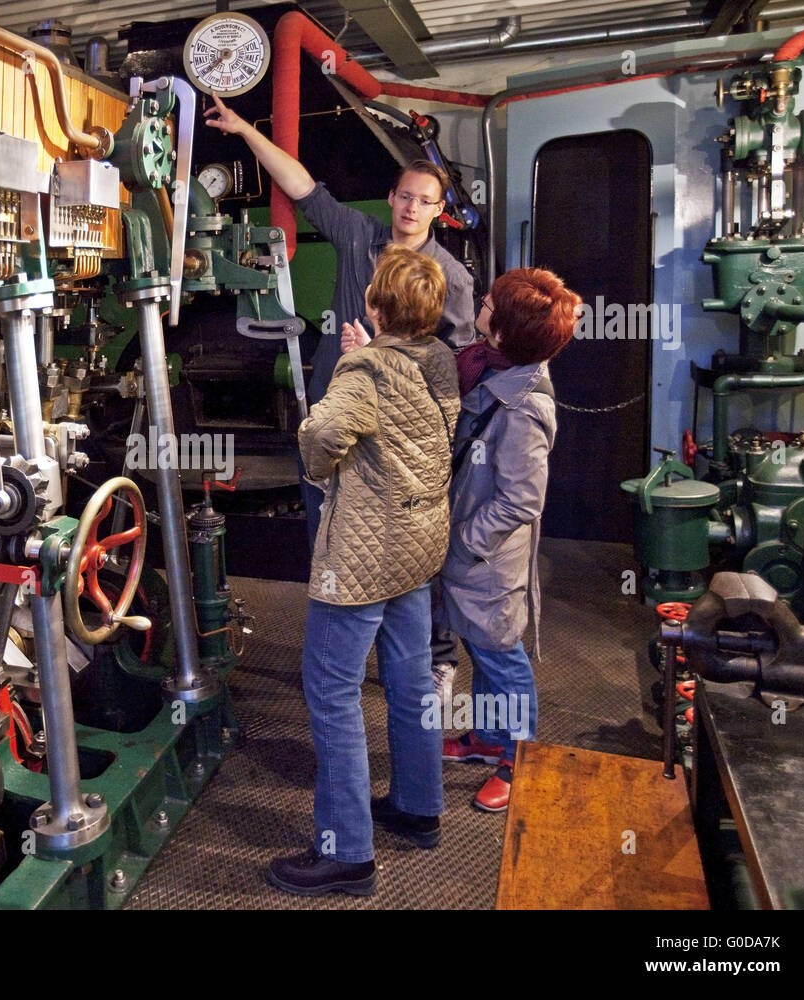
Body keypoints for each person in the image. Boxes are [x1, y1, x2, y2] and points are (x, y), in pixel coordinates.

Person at [204, 94, 472, 694]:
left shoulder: (449, 278)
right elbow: (303, 187)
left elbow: (456, 366)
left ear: (439, 210)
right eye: (404, 195)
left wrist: (381, 356)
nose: (410, 207)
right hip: (335, 424)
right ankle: (341, 661)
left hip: (400, 441)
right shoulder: (358, 236)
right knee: (328, 541)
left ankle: (434, 659)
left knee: (409, 549)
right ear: (392, 197)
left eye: (424, 201)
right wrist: (248, 129)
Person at [265, 245, 459, 897]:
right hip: (417, 542)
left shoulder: (366, 370)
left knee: (331, 687)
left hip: (363, 553)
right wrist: (366, 354)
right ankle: (417, 807)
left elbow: (322, 435)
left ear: (376, 306)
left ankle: (345, 850)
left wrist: (320, 472)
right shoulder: (437, 360)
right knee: (408, 676)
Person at [437, 268, 581, 813]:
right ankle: (487, 740)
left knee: (502, 658)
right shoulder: (486, 365)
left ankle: (518, 760)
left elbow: (521, 501)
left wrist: (463, 545)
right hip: (472, 554)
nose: (484, 301)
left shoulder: (523, 406)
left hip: (487, 561)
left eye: (492, 302)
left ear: (505, 331)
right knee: (480, 648)